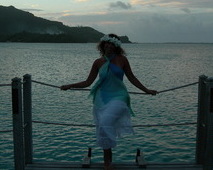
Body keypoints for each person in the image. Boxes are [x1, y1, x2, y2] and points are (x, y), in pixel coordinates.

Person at [61, 34, 157, 170]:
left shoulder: (122, 60)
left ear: (116, 46)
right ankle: (108, 163)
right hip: (101, 99)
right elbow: (88, 82)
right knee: (103, 128)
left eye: (112, 44)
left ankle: (108, 161)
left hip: (119, 97)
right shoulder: (98, 62)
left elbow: (132, 78)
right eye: (107, 43)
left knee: (105, 124)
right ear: (103, 45)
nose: (109, 46)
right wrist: (70, 85)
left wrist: (146, 90)